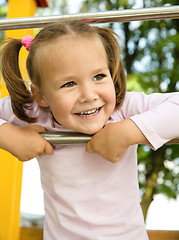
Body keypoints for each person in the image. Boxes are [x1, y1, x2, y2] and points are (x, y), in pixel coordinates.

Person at [0, 20, 179, 240]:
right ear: (41, 95)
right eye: (69, 84)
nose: (89, 95)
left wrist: (129, 131)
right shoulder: (35, 113)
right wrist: (7, 135)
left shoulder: (123, 108)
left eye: (98, 77)